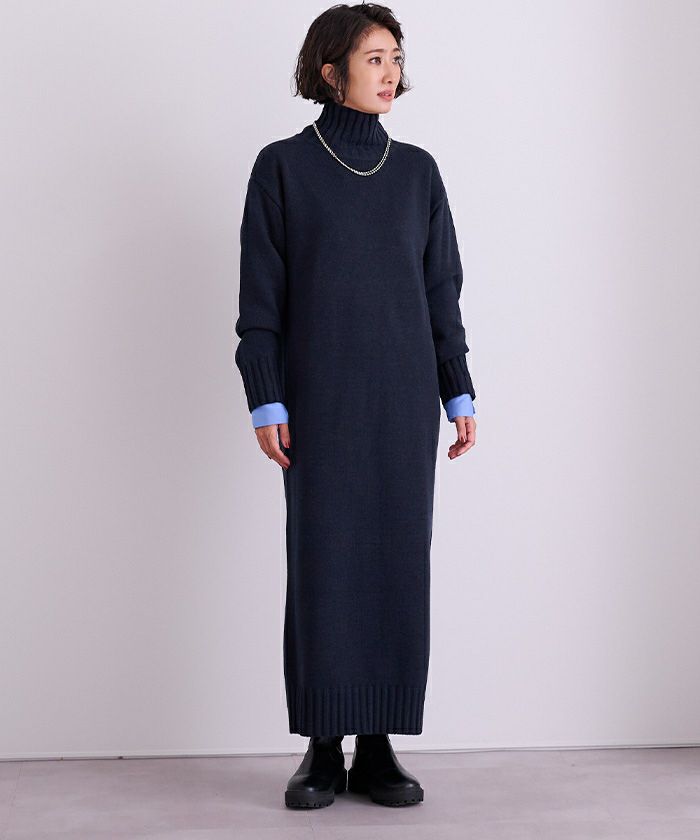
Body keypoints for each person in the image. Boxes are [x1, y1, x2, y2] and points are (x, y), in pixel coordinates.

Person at [234, 2, 477, 809]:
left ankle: (378, 746)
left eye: (396, 58)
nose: (391, 73)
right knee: (325, 563)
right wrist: (266, 399)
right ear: (330, 69)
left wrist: (457, 385)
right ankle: (322, 746)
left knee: (397, 561)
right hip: (319, 402)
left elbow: (441, 289)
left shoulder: (418, 174)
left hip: (403, 400)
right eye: (375, 58)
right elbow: (260, 300)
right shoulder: (282, 168)